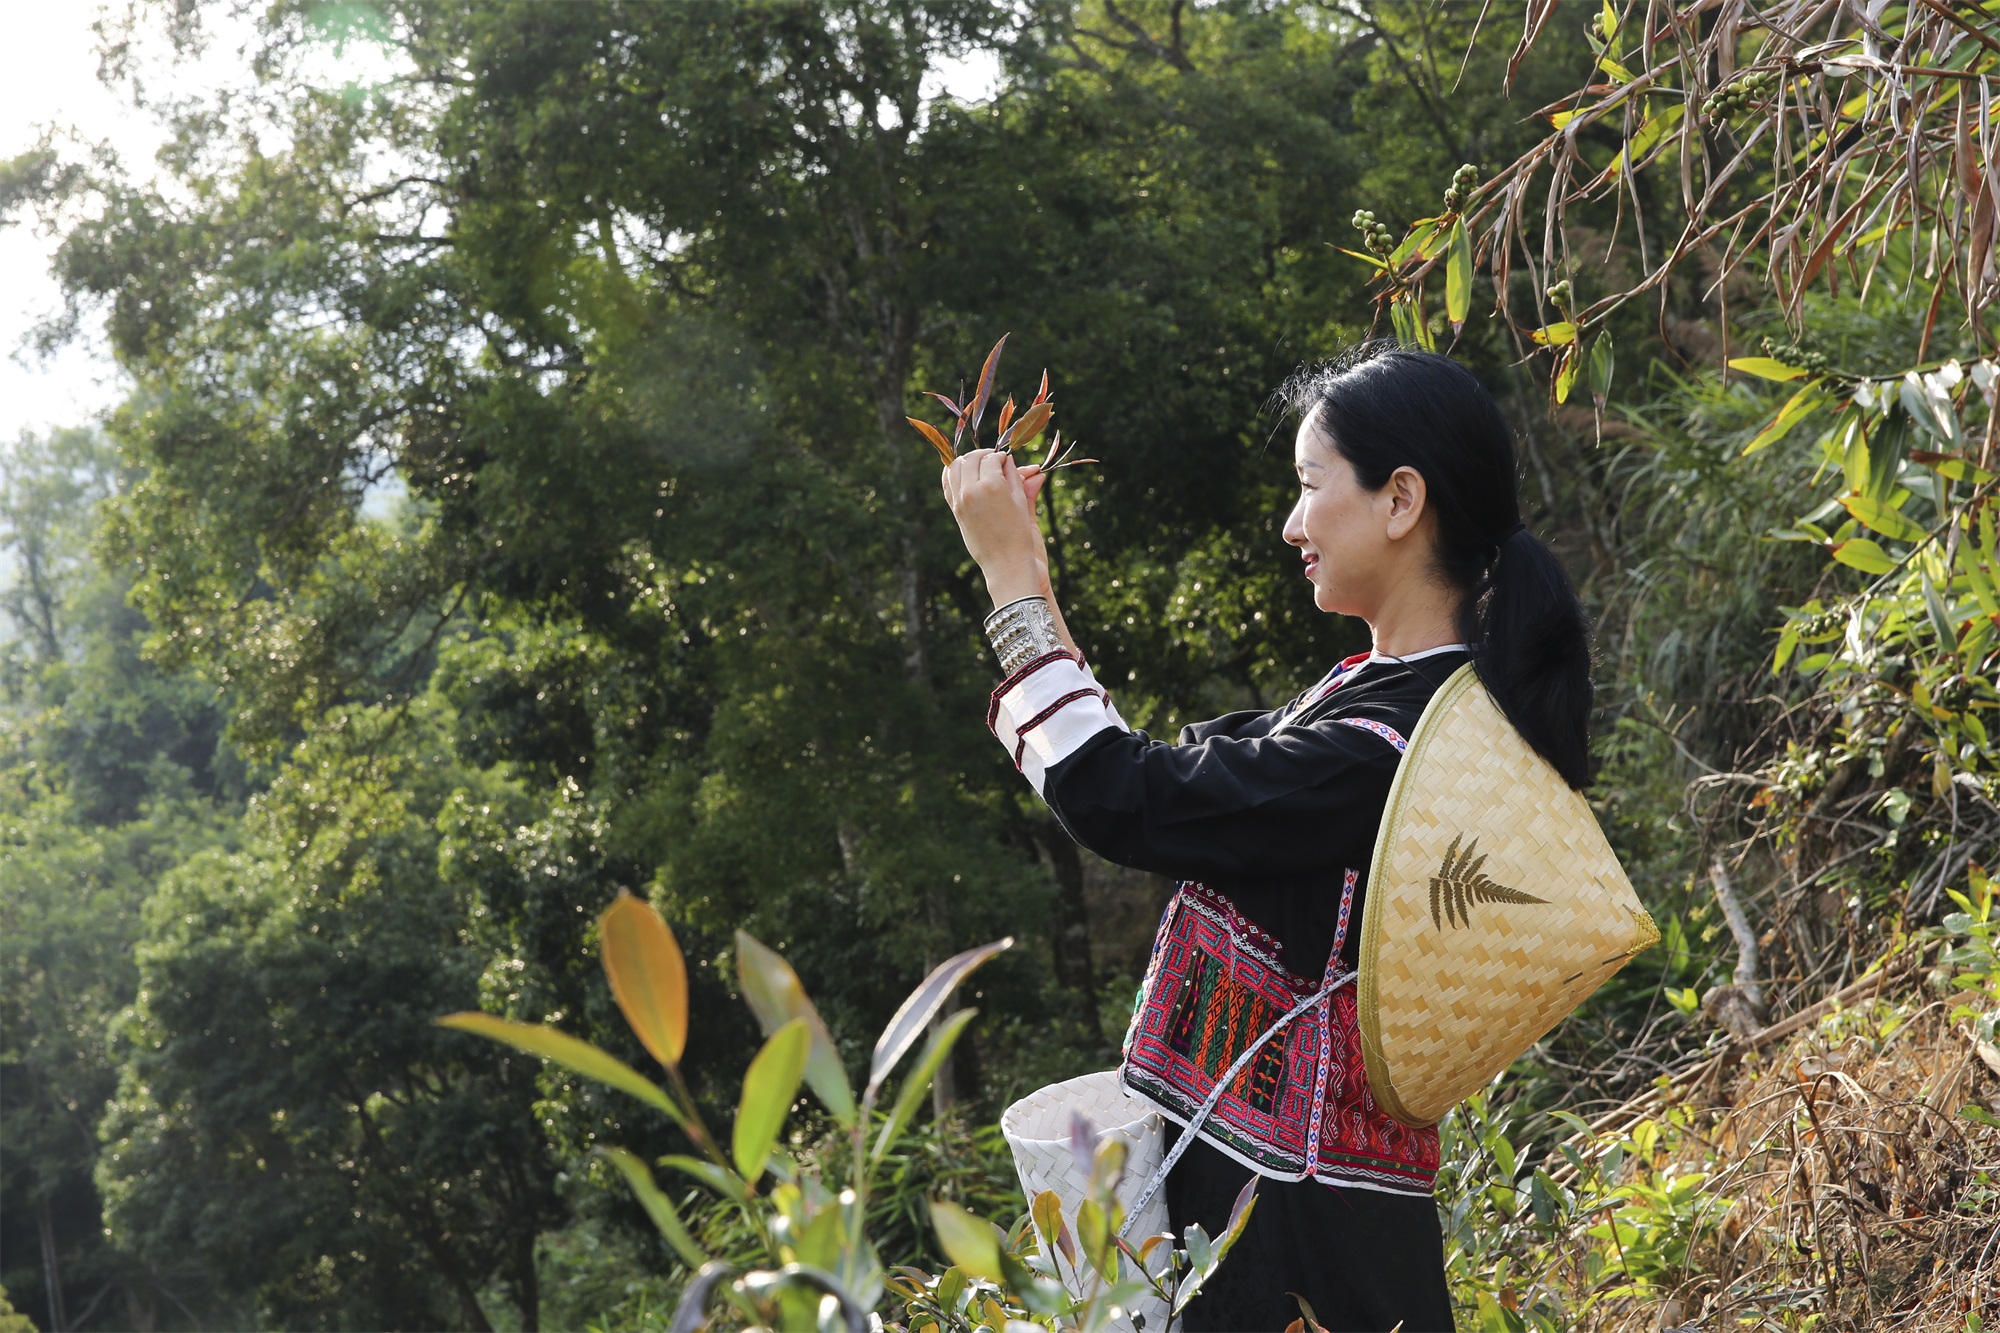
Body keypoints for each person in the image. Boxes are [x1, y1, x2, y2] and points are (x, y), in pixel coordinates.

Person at [942, 343, 1592, 1332]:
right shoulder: (1390, 707)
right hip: (1303, 1212)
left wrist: (1006, 580)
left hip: (1293, 1236)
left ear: (1398, 500)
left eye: (1307, 485)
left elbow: (1125, 798)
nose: (1291, 524)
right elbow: (1164, 783)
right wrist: (1028, 580)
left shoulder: (1390, 748)